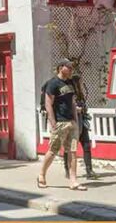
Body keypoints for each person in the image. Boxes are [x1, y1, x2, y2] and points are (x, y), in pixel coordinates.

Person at [38, 59, 86, 191]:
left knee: (73, 151)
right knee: (53, 150)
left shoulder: (70, 83)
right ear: (61, 68)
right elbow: (48, 104)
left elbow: (72, 102)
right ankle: (41, 175)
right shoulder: (53, 83)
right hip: (60, 122)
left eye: (72, 68)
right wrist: (53, 122)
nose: (71, 70)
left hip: (72, 122)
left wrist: (75, 120)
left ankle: (73, 180)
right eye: (68, 67)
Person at [63, 74, 96, 180]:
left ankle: (89, 169)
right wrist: (76, 109)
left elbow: (83, 107)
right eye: (80, 82)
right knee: (70, 147)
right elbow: (66, 107)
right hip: (73, 123)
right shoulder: (70, 94)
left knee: (86, 145)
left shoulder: (81, 94)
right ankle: (67, 169)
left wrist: (83, 109)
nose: (82, 84)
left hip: (82, 122)